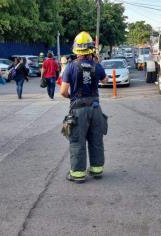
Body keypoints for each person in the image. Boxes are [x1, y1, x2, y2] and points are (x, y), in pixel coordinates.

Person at [60, 31, 108, 183]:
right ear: (91, 49)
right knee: (96, 139)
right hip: (95, 109)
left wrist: (71, 98)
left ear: (76, 49)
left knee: (77, 141)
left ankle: (78, 174)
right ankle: (96, 170)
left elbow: (63, 91)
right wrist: (97, 63)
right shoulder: (97, 66)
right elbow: (106, 80)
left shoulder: (70, 67)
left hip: (78, 109)